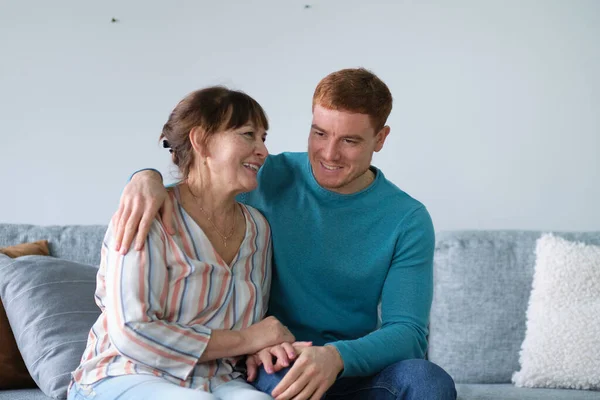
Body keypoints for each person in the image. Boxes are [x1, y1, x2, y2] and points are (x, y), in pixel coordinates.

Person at [113, 68, 457, 400]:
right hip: (276, 360)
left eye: (349, 141)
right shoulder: (262, 175)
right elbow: (197, 184)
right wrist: (145, 176)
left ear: (380, 139)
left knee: (428, 381)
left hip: (354, 366)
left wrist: (335, 357)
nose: (329, 153)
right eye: (320, 133)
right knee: (283, 381)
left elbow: (408, 333)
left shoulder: (406, 218)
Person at [68, 86, 302, 400]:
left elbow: (251, 324)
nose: (262, 151)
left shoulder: (257, 228)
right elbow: (132, 333)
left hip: (215, 379)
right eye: (248, 134)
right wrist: (249, 339)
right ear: (201, 141)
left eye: (263, 138)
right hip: (125, 373)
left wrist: (264, 344)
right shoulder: (147, 212)